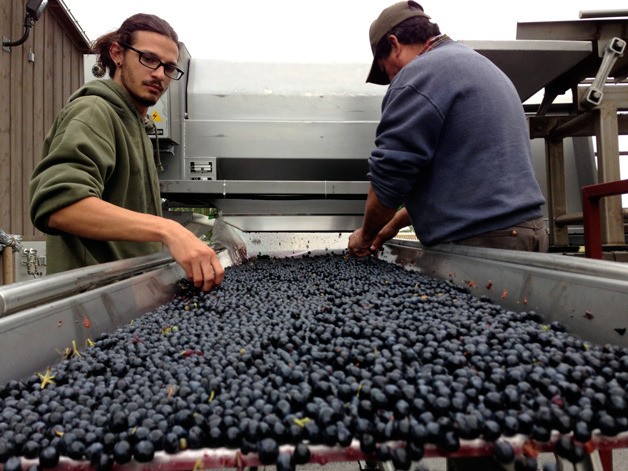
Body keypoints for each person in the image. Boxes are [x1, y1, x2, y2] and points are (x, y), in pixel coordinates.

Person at [29, 13, 223, 292]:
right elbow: (60, 207)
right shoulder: (95, 112)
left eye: (169, 67)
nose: (159, 74)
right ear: (117, 54)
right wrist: (169, 230)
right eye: (148, 59)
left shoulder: (136, 125)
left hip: (127, 299)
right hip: (92, 306)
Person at [348, 1, 548, 258]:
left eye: (385, 68)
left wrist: (364, 236)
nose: (390, 79)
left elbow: (390, 177)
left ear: (395, 44)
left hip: (481, 242)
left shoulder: (417, 76)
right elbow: (463, 181)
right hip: (530, 233)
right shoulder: (481, 66)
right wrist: (392, 224)